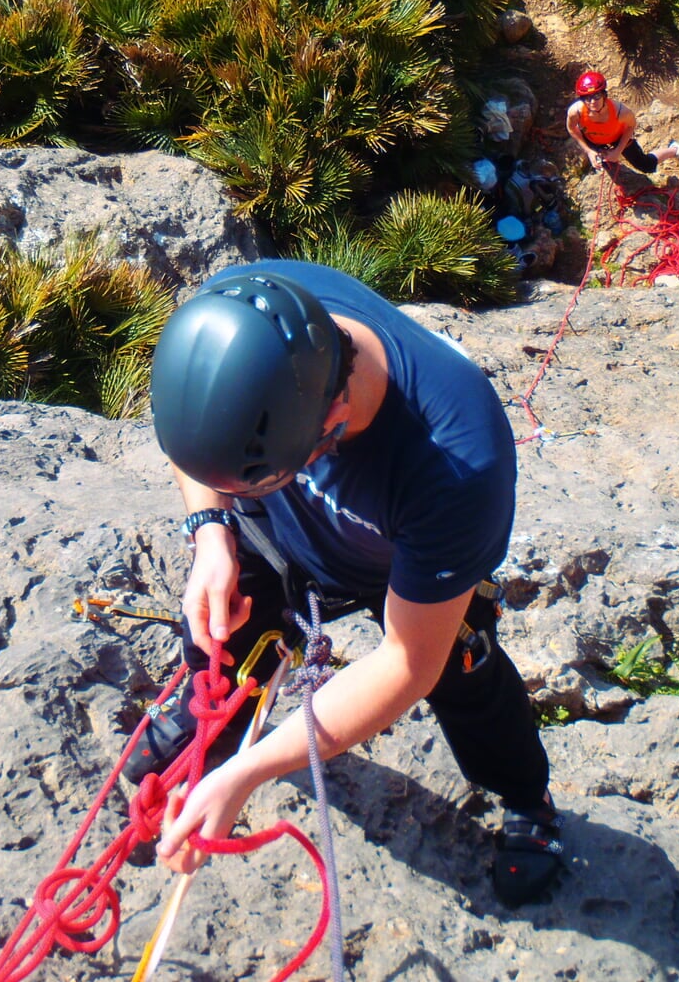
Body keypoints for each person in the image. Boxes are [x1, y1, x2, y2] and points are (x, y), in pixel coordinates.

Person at [132, 259, 563, 907]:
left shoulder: (457, 463)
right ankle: (215, 710)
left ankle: (528, 800)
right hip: (277, 523)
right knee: (231, 616)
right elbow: (196, 443)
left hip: (402, 565)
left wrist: (252, 773)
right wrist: (211, 536)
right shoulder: (242, 313)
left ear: (334, 412)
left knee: (461, 671)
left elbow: (404, 665)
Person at [565, 70, 679, 177]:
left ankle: (675, 150)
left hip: (617, 137)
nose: (593, 102)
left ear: (604, 95)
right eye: (587, 98)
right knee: (604, 165)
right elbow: (572, 129)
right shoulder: (575, 112)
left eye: (597, 96)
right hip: (593, 139)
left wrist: (618, 151)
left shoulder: (620, 112)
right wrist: (589, 151)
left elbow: (631, 126)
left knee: (646, 165)